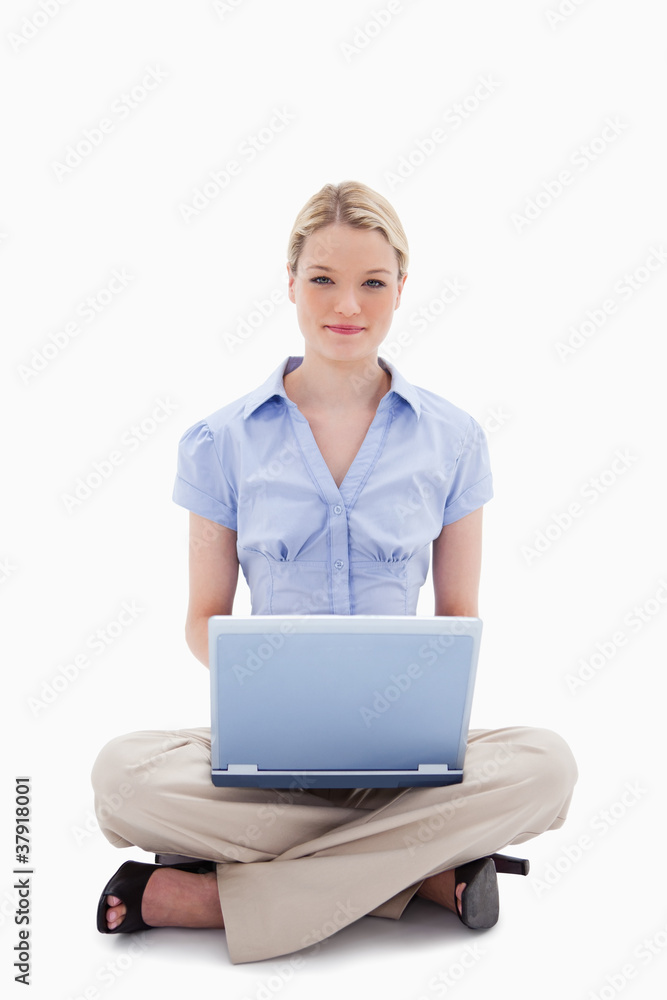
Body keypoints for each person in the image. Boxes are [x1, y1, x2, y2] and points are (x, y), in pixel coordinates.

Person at [91, 180, 578, 966]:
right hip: (263, 770)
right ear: (289, 284)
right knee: (119, 780)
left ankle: (213, 894)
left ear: (401, 290)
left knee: (547, 767)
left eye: (371, 282)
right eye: (321, 278)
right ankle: (415, 877)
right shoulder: (220, 441)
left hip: (404, 766)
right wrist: (271, 681)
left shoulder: (453, 440)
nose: (345, 303)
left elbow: (458, 617)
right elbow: (201, 617)